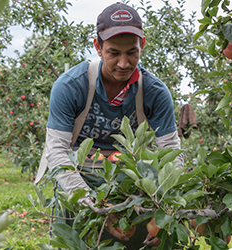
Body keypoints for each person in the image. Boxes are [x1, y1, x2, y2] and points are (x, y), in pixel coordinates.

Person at [44, 2, 184, 249]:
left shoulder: (154, 91)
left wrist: (165, 209)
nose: (123, 63)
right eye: (113, 53)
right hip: (77, 181)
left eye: (131, 52)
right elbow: (56, 152)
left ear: (143, 45)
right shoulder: (70, 86)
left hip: (130, 186)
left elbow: (172, 150)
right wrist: (91, 204)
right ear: (98, 47)